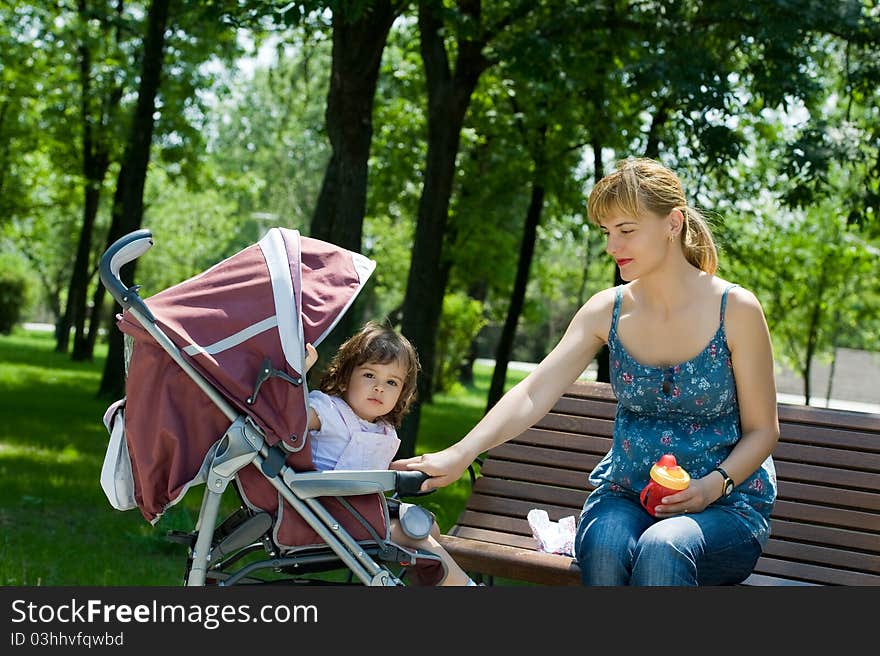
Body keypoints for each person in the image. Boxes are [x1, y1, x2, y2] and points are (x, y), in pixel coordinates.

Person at [394, 157, 779, 586]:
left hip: (724, 506)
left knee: (662, 547)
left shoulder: (736, 309)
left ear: (673, 223)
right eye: (607, 233)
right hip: (625, 496)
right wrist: (460, 453)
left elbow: (764, 430)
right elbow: (534, 391)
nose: (613, 246)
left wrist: (711, 486)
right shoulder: (607, 310)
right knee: (606, 543)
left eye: (627, 230)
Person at [305, 320, 480, 586]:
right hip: (323, 512)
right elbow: (290, 421)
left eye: (391, 382)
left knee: (429, 526)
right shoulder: (328, 410)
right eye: (369, 375)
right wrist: (297, 373)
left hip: (360, 510)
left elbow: (370, 467)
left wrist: (405, 470)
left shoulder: (384, 430)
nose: (379, 387)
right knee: (413, 533)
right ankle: (464, 586)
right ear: (345, 375)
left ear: (402, 393)